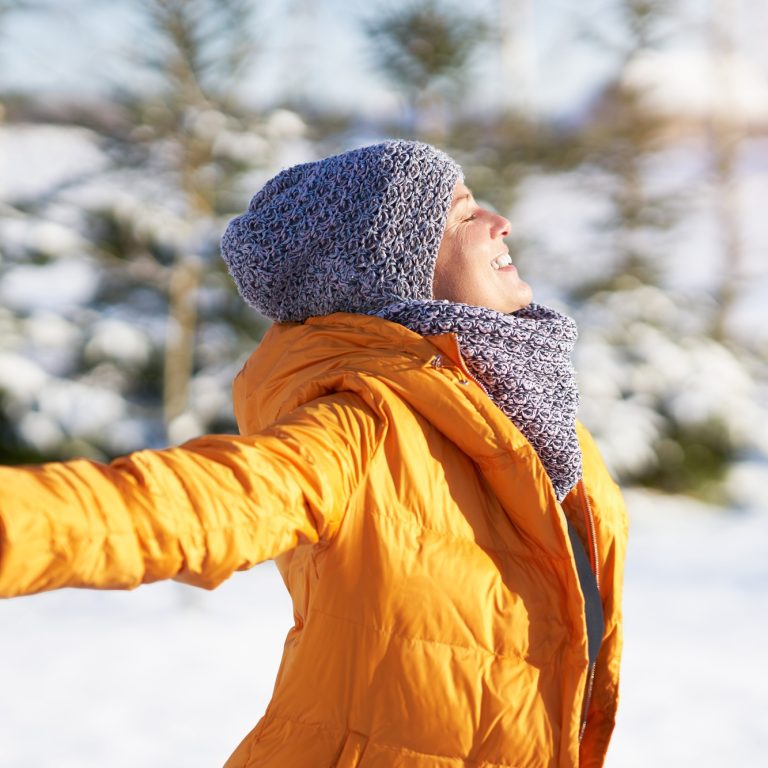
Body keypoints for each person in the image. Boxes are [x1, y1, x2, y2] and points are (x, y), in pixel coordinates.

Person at [0, 140, 628, 767]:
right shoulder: (364, 421)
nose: (500, 222)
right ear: (396, 270)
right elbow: (197, 505)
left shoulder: (526, 410)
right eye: (462, 214)